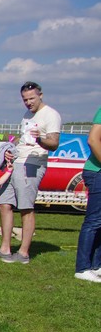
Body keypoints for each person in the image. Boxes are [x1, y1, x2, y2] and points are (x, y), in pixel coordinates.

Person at [0, 81, 61, 264]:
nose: (28, 102)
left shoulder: (51, 115)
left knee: (25, 207)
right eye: (25, 99)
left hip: (32, 164)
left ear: (41, 95)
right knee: (4, 203)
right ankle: (5, 249)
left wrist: (40, 139)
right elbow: (23, 139)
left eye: (31, 98)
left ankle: (23, 253)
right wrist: (11, 149)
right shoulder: (27, 115)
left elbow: (54, 143)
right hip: (17, 162)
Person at [74, 106, 101, 282]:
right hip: (97, 172)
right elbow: (93, 139)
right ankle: (82, 268)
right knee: (94, 221)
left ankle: (96, 266)